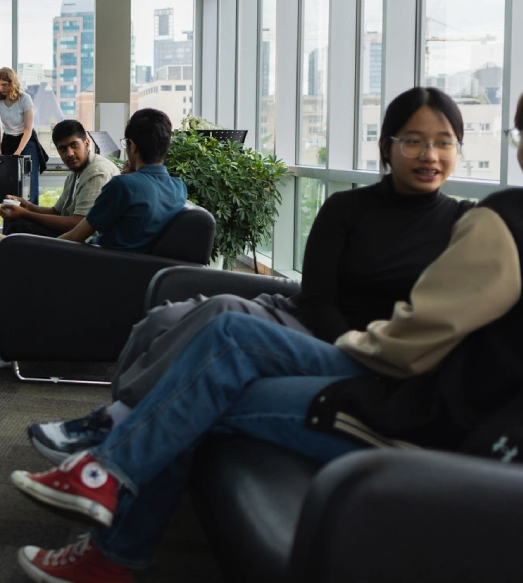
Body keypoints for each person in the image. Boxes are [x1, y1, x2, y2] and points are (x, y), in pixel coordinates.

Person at [8, 65, 523, 583]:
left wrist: (355, 341)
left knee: (215, 370)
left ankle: (109, 506)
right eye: (412, 139)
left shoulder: (513, 219)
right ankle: (107, 489)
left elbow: (412, 345)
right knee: (222, 333)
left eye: (521, 135)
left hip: (443, 419)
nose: (517, 150)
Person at [28, 88, 476, 462]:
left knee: (223, 333)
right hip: (305, 318)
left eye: (445, 142)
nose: (430, 155)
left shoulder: (467, 225)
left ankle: (113, 432)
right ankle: (116, 417)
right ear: (387, 145)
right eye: (414, 140)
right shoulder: (348, 208)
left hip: (354, 351)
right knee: (169, 319)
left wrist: (354, 356)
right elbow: (316, 298)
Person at [0, 109, 186, 369]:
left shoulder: (121, 185)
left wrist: (37, 250)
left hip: (92, 269)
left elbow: (77, 234)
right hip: (124, 274)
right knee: (10, 237)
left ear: (133, 146)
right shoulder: (178, 188)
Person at [0, 119, 119, 238]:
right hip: (71, 236)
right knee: (17, 221)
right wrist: (27, 206)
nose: (70, 153)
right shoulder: (74, 174)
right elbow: (57, 212)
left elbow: (79, 225)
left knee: (19, 226)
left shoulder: (97, 173)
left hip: (90, 244)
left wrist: (25, 214)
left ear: (86, 143)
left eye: (74, 145)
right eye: (63, 149)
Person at [0, 67, 48, 203]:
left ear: (12, 84)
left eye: (4, 84)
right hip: (8, 139)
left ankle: (32, 217)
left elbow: (28, 129)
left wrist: (18, 152)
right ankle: (10, 219)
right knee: (8, 180)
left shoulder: (24, 99)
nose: (1, 88)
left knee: (30, 180)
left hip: (26, 140)